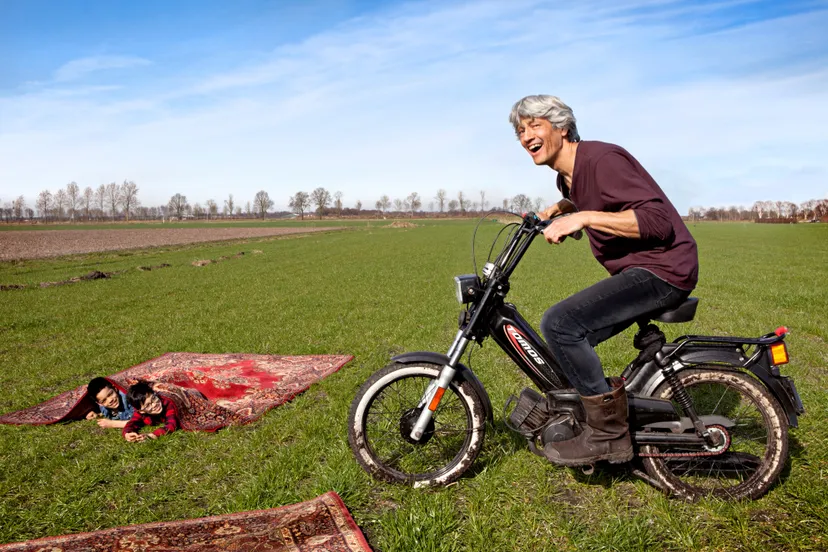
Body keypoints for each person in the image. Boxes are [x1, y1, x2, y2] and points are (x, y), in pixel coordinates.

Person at [509, 95, 699, 466]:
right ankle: (593, 413)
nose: (526, 136)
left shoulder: (602, 159)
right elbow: (593, 197)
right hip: (642, 269)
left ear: (562, 127)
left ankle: (608, 435)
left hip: (664, 269)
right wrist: (561, 208)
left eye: (534, 125)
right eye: (520, 131)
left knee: (561, 325)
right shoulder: (568, 178)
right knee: (569, 342)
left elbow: (657, 222)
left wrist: (583, 218)